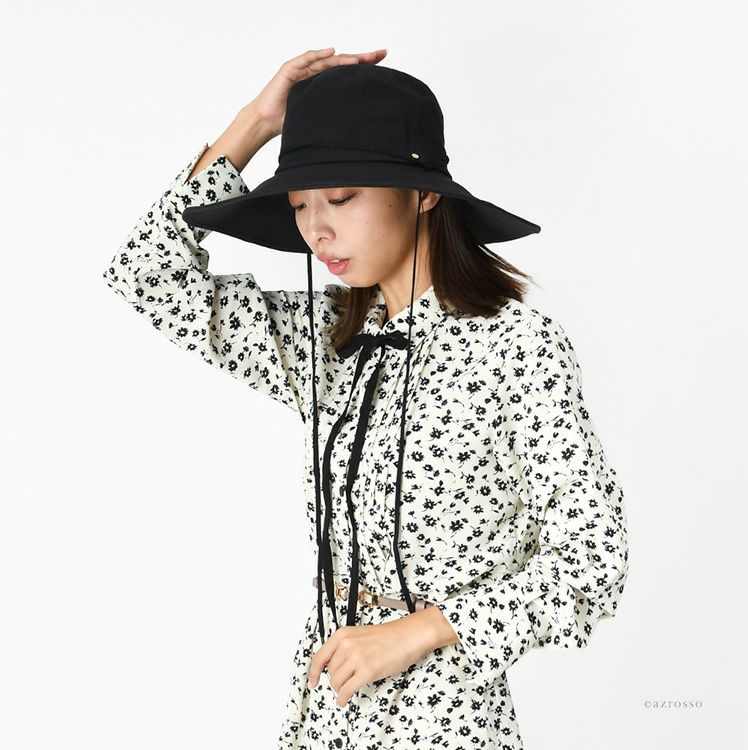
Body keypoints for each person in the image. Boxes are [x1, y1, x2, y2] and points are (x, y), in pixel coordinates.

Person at [102, 48, 629, 750]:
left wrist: (421, 630)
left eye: (342, 198)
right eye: (299, 206)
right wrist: (256, 122)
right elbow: (146, 273)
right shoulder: (328, 342)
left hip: (445, 716)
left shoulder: (515, 345)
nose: (316, 229)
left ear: (423, 194)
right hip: (327, 708)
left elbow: (593, 559)